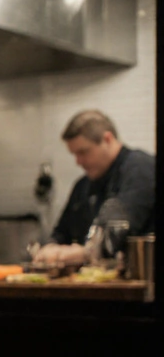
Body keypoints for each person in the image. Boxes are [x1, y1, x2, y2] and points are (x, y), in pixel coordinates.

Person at [33, 110, 155, 266]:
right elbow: (62, 233)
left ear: (107, 139)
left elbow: (118, 229)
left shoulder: (141, 169)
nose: (78, 161)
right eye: (74, 154)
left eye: (83, 152)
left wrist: (84, 253)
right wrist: (51, 248)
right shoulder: (82, 186)